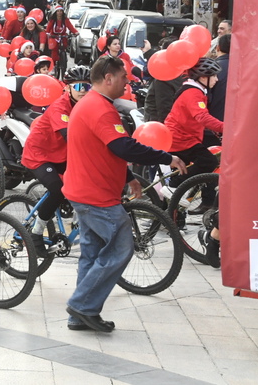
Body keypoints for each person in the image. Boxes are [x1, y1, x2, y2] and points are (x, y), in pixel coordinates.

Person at [62, 56, 185, 332]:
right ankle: (82, 305)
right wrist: (166, 157)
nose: (126, 82)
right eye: (123, 77)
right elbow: (123, 147)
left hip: (86, 190)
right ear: (108, 78)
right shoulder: (99, 108)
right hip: (94, 196)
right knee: (121, 247)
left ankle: (81, 314)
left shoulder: (91, 105)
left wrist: (129, 177)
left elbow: (104, 149)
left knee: (92, 254)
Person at [21, 66, 91, 257]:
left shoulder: (87, 105)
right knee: (58, 190)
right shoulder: (60, 107)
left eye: (88, 86)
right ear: (67, 89)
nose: (83, 90)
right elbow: (69, 135)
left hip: (62, 154)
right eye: (78, 86)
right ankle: (35, 234)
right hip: (39, 155)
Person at [163, 57, 224, 215]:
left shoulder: (195, 90)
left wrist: (218, 130)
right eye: (214, 75)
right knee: (208, 161)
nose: (217, 80)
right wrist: (227, 127)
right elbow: (202, 117)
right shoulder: (193, 93)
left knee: (181, 174)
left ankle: (168, 219)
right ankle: (173, 188)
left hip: (181, 138)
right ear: (203, 77)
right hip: (181, 139)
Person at [144, 37, 184, 123]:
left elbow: (165, 108)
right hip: (160, 124)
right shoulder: (166, 76)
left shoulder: (169, 75)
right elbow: (164, 109)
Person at [207, 33, 230, 123]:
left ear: (218, 48)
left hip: (212, 122)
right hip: (236, 124)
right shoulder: (244, 69)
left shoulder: (211, 68)